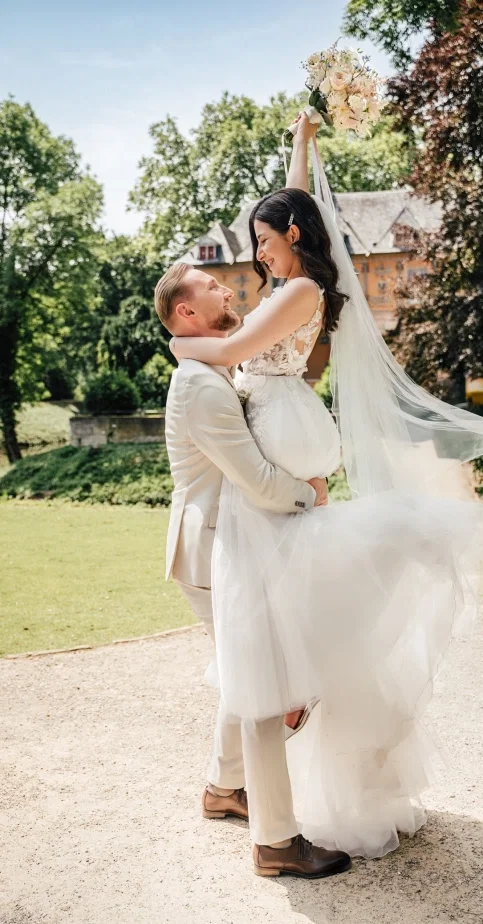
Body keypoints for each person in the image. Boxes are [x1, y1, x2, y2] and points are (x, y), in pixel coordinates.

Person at [166, 113, 483, 861]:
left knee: (290, 645)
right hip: (271, 474)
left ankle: (263, 779)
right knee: (268, 652)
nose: (254, 254)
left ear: (293, 240)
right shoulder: (290, 280)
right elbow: (288, 204)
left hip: (282, 464)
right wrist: (299, 150)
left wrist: (177, 340)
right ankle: (241, 785)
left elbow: (234, 346)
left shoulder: (293, 296)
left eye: (264, 242)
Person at [157, 258, 351, 879]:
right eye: (212, 287)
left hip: (236, 546)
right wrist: (311, 492)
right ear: (187, 313)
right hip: (215, 551)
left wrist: (301, 154)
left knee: (252, 680)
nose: (228, 287)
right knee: (268, 690)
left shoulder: (215, 369)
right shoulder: (200, 386)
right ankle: (276, 843)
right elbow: (258, 480)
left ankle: (222, 787)